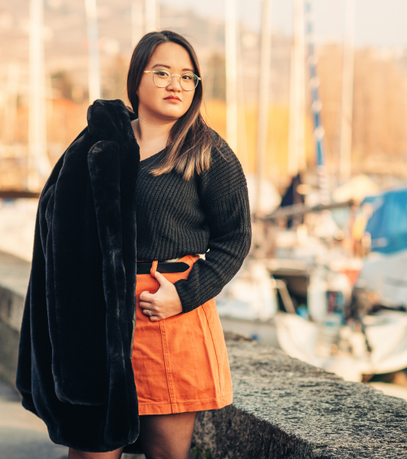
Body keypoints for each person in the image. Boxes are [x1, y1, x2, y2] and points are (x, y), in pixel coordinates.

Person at [17, 30, 252, 459]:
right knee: (92, 452)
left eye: (187, 76)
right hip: (100, 323)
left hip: (167, 318)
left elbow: (236, 239)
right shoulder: (99, 147)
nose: (175, 84)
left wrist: (182, 296)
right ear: (136, 80)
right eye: (162, 72)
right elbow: (56, 231)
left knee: (166, 455)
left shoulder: (208, 152)